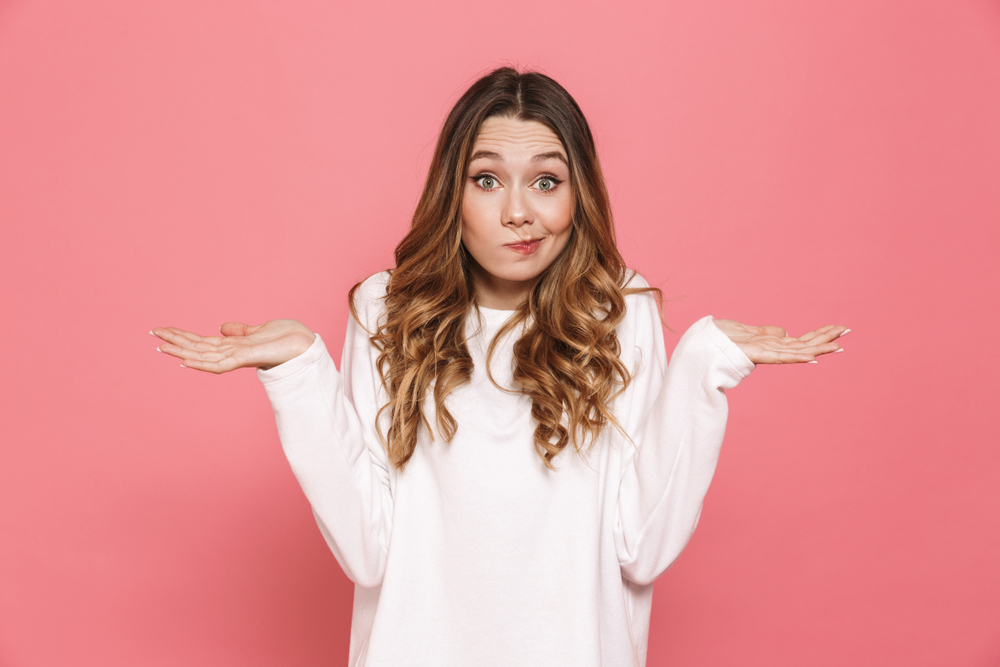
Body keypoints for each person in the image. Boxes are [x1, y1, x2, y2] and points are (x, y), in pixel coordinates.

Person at [152, 68, 847, 667]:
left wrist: (703, 365)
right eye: (488, 180)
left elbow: (642, 546)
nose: (520, 212)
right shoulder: (387, 310)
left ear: (580, 197)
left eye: (546, 181)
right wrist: (301, 372)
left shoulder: (620, 315)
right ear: (453, 192)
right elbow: (367, 549)